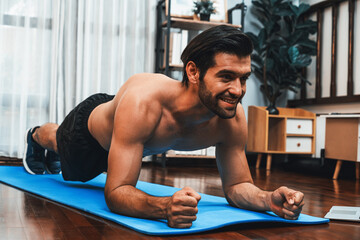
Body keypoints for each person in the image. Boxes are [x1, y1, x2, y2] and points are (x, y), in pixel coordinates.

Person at [23, 25, 304, 228]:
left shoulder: (231, 117)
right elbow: (117, 191)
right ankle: (35, 136)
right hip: (91, 133)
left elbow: (238, 185)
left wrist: (268, 200)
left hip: (128, 131)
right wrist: (163, 206)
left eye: (243, 78)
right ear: (193, 72)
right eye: (226, 77)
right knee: (58, 141)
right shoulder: (144, 104)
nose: (238, 90)